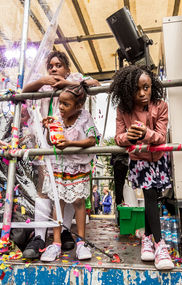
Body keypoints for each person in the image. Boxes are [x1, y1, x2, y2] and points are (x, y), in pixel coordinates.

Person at [22, 51, 100, 259]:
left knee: (73, 196)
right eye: (51, 66)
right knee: (47, 191)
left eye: (59, 65)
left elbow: (95, 84)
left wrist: (67, 84)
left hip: (72, 154)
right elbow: (24, 91)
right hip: (50, 146)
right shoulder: (45, 85)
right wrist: (42, 80)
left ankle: (67, 232)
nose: (54, 69)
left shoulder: (74, 81)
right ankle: (42, 236)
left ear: (67, 68)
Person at [110, 65, 174, 270]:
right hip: (140, 160)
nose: (142, 93)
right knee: (150, 196)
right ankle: (159, 244)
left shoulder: (161, 105)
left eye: (146, 88)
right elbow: (118, 137)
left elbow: (161, 137)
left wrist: (145, 132)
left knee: (152, 197)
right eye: (136, 89)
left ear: (152, 86)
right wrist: (127, 136)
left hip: (159, 159)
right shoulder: (123, 110)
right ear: (127, 91)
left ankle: (146, 238)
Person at [40, 84, 100, 262]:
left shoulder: (85, 117)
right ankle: (56, 243)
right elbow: (52, 143)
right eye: (60, 103)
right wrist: (48, 129)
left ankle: (81, 243)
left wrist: (69, 144)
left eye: (66, 104)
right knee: (57, 203)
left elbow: (92, 140)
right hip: (59, 166)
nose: (61, 107)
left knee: (79, 202)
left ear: (78, 106)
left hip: (78, 167)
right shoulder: (57, 118)